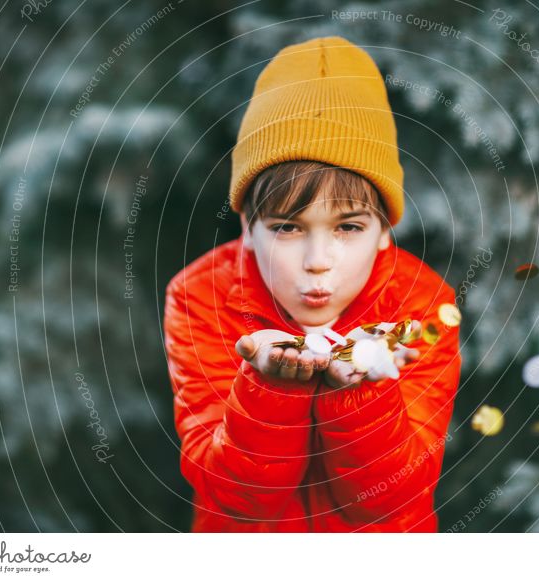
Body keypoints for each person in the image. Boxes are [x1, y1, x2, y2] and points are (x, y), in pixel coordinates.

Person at [164, 36, 461, 532]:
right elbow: (238, 498)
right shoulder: (201, 298)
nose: (318, 261)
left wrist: (364, 390)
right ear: (248, 230)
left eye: (348, 227)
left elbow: (387, 500)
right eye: (287, 227)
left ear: (385, 230)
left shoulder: (422, 307)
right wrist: (270, 384)